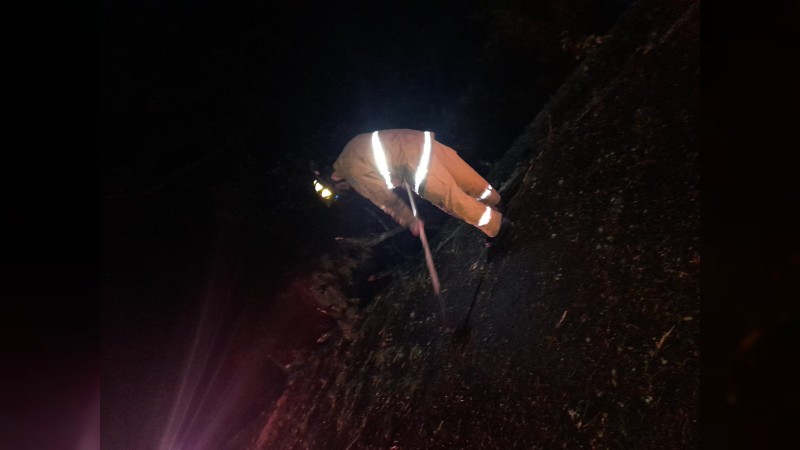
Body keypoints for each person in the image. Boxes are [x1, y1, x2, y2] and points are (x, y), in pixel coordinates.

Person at [326, 129, 508, 240]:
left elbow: (383, 197)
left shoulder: (351, 170)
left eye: (342, 189)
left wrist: (410, 220)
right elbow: (388, 156)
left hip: (415, 164)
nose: (347, 189)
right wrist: (398, 180)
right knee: (465, 178)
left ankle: (498, 227)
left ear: (335, 179)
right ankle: (496, 200)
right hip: (424, 143)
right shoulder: (353, 147)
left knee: (452, 201)